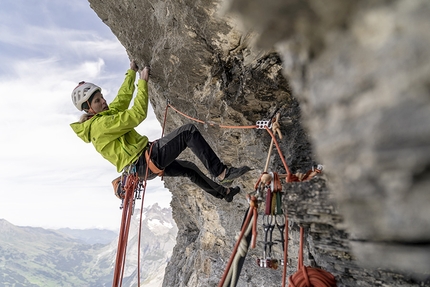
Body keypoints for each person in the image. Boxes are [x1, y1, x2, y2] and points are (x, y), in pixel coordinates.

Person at [70, 60, 251, 202]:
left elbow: (122, 100)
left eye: (101, 97)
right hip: (144, 160)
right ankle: (222, 173)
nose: (103, 102)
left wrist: (131, 72)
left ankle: (224, 193)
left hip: (142, 167)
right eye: (97, 101)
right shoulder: (100, 126)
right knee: (188, 132)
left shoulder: (102, 117)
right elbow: (138, 114)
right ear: (88, 109)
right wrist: (143, 83)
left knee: (189, 169)